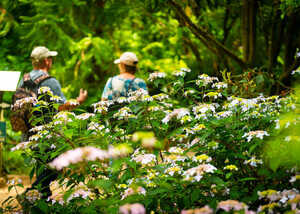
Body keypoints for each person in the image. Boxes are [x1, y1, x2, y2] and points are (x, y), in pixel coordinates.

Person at [19, 46, 88, 199]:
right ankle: (33, 194)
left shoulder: (23, 80)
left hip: (27, 132)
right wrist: (79, 100)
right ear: (46, 61)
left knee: (43, 166)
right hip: (48, 134)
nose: (51, 61)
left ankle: (39, 197)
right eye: (50, 58)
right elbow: (62, 106)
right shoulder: (50, 81)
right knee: (57, 163)